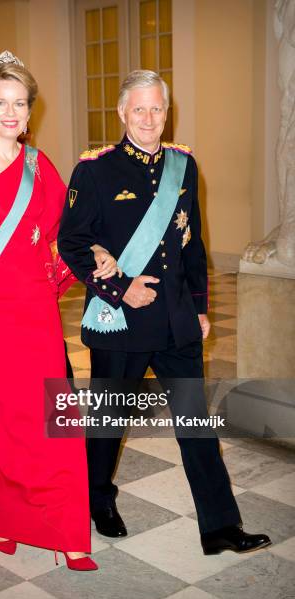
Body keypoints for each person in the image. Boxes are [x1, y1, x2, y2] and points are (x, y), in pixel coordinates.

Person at [58, 70, 271, 555]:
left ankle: (219, 525)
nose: (149, 119)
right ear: (121, 113)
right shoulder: (94, 170)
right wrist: (118, 290)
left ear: (166, 111)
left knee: (196, 426)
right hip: (121, 321)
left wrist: (199, 307)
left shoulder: (184, 165)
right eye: (139, 109)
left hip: (176, 321)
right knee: (108, 423)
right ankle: (97, 499)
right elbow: (70, 241)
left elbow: (193, 240)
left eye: (157, 109)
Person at [0, 51, 118, 571]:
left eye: (20, 103)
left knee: (55, 415)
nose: (12, 112)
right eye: (1, 102)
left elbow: (67, 234)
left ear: (29, 109)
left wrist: (97, 253)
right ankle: (6, 520)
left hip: (35, 313)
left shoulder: (40, 166)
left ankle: (69, 533)